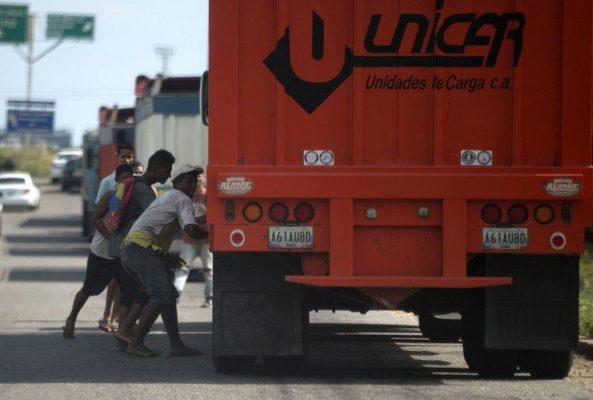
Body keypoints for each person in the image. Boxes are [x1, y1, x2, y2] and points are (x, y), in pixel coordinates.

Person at [117, 164, 208, 357]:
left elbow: (188, 220)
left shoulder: (171, 197)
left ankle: (176, 344)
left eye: (195, 181)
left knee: (168, 296)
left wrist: (165, 257)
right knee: (162, 295)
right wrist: (216, 236)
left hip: (135, 250)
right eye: (188, 181)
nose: (192, 185)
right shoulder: (181, 198)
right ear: (177, 182)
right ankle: (135, 342)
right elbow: (191, 229)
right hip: (140, 251)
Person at [63, 164, 138, 342]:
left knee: (128, 291)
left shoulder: (134, 198)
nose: (127, 181)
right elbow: (95, 219)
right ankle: (71, 318)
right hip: (102, 253)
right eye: (123, 178)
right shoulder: (112, 196)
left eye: (130, 178)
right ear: (117, 180)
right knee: (89, 289)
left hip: (121, 256)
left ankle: (123, 333)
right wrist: (112, 239)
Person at [110, 149, 176, 347]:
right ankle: (124, 335)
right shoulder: (142, 189)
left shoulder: (135, 184)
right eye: (166, 170)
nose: (169, 175)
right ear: (155, 168)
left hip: (122, 246)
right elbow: (158, 215)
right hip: (131, 248)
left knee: (139, 291)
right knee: (134, 293)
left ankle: (123, 338)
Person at [100, 160, 145, 332]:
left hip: (137, 245)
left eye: (139, 174)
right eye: (135, 174)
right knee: (122, 286)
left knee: (130, 288)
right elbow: (110, 218)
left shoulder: (146, 191)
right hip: (123, 246)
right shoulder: (117, 193)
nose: (136, 178)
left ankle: (124, 325)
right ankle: (114, 321)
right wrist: (110, 237)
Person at [97, 141, 135, 333]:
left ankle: (117, 319)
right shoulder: (108, 182)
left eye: (130, 156)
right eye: (124, 156)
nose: (127, 159)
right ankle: (107, 316)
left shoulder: (136, 182)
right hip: (111, 236)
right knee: (113, 279)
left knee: (123, 280)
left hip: (129, 238)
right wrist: (107, 235)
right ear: (116, 156)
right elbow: (99, 212)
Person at [174, 173, 212, 307]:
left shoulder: (209, 196)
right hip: (189, 239)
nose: (198, 180)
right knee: (182, 268)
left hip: (207, 240)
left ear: (204, 179)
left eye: (200, 177)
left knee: (209, 269)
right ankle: (176, 295)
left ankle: (209, 297)